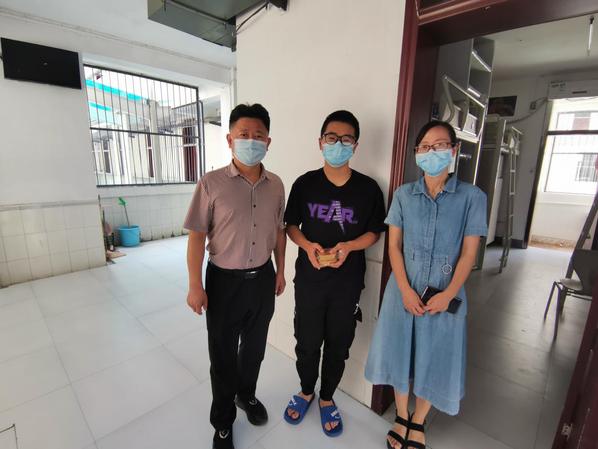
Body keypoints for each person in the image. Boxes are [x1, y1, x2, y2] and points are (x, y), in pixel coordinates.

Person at [365, 120, 488, 449]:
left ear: (454, 150)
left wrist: (448, 294)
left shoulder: (472, 197)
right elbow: (394, 247)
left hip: (445, 292)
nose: (432, 152)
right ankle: (401, 415)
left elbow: (469, 253)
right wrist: (405, 290)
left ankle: (418, 421)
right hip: (402, 289)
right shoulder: (403, 195)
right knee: (398, 350)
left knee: (436, 355)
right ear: (416, 152)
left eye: (440, 145)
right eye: (425, 147)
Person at [184, 103, 286, 449]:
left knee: (254, 350)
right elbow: (197, 236)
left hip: (262, 279)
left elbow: (280, 231)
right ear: (230, 139)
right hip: (223, 282)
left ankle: (246, 395)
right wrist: (195, 285)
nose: (251, 141)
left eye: (258, 135)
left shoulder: (276, 185)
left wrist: (281, 271)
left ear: (268, 142)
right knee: (223, 355)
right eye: (244, 134)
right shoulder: (211, 183)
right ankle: (223, 422)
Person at [282, 110, 386, 437]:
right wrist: (308, 246)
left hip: (347, 282)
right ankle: (306, 391)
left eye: (346, 139)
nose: (338, 144)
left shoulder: (368, 189)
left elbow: (374, 232)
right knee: (307, 340)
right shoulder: (304, 184)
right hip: (309, 279)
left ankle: (326, 397)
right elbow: (291, 226)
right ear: (320, 142)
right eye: (332, 137)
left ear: (355, 145)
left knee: (339, 344)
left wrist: (350, 246)